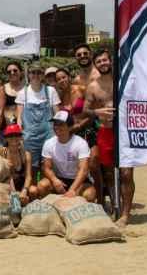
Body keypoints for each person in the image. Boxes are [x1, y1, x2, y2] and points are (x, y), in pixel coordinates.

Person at [55, 67, 101, 203]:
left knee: (93, 164)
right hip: (72, 135)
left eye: (63, 77)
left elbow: (95, 109)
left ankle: (101, 199)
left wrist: (81, 125)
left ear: (69, 77)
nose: (61, 81)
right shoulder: (60, 96)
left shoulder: (81, 89)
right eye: (58, 79)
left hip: (87, 130)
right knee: (78, 166)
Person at [83, 49, 119, 218]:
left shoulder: (121, 80)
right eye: (99, 62)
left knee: (122, 170)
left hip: (122, 130)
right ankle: (108, 203)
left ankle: (119, 204)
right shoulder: (93, 86)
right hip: (103, 130)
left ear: (110, 61)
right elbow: (85, 110)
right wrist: (99, 112)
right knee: (105, 169)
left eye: (105, 60)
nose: (103, 63)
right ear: (95, 65)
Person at [37, 110, 96, 202]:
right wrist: (55, 180)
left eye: (61, 124)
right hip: (60, 179)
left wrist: (72, 189)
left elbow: (83, 170)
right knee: (42, 186)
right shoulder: (48, 143)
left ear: (70, 127)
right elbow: (46, 168)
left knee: (89, 194)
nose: (57, 127)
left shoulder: (80, 143)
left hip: (78, 180)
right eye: (55, 124)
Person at [16, 63, 61, 179]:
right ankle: (33, 192)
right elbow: (19, 118)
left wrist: (59, 134)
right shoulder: (22, 93)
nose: (35, 75)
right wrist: (19, 135)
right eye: (33, 72)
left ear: (42, 75)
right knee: (32, 169)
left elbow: (57, 115)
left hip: (49, 137)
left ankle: (46, 192)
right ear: (29, 74)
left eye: (39, 72)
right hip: (30, 138)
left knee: (48, 167)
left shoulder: (50, 91)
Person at [0, 123, 35, 205]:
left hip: (22, 185)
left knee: (34, 190)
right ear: (6, 138)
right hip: (9, 186)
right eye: (10, 136)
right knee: (17, 199)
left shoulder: (26, 155)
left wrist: (24, 190)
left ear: (20, 137)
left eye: (16, 135)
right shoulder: (2, 152)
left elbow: (28, 176)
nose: (14, 138)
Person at [2, 61, 25, 125]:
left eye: (15, 70)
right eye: (9, 72)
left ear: (20, 72)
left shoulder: (27, 89)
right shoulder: (2, 89)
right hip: (8, 126)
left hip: (25, 125)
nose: (12, 73)